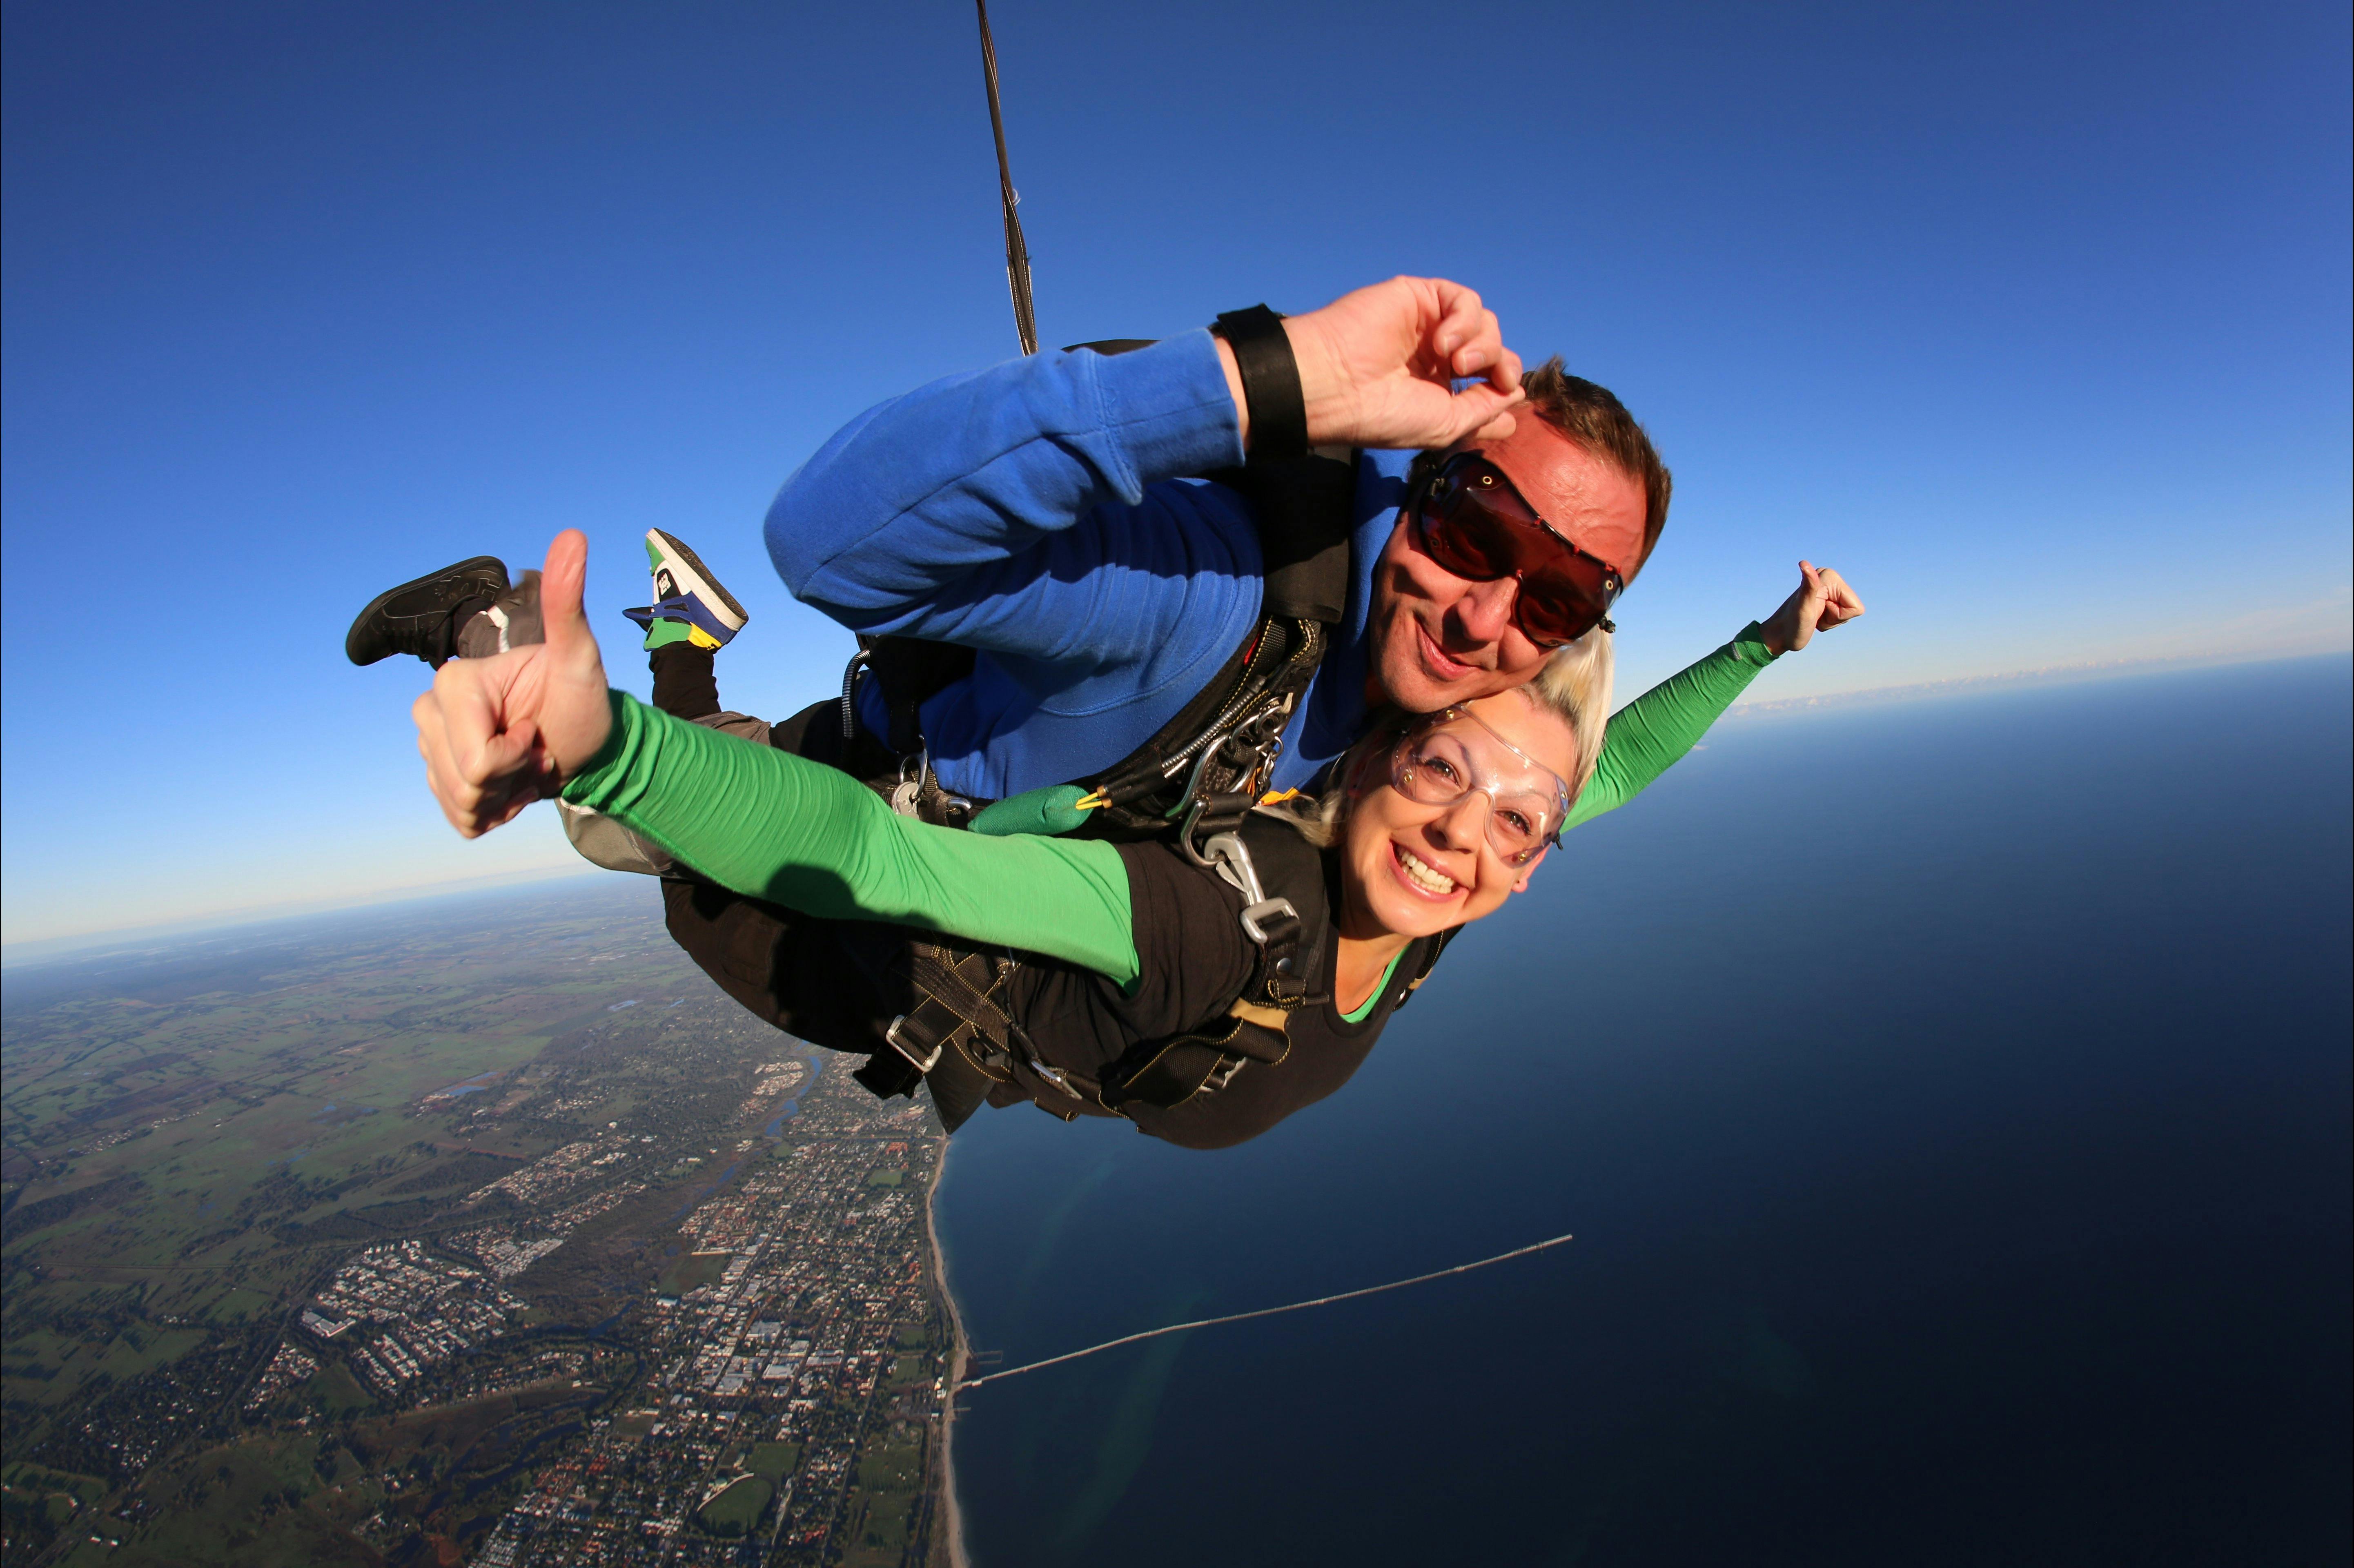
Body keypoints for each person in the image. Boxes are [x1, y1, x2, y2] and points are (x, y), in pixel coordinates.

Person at [392, 521, 1862, 1145]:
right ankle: (533, 635)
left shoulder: (1444, 880)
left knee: (699, 805)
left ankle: (680, 650)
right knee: (621, 839)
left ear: (1539, 856)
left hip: (948, 915)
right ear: (1370, 764)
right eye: (1443, 775)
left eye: (1516, 820)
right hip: (859, 942)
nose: (1465, 832)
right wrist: (613, 754)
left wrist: (1764, 645)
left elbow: (1608, 770)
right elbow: (896, 868)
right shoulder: (1216, 920)